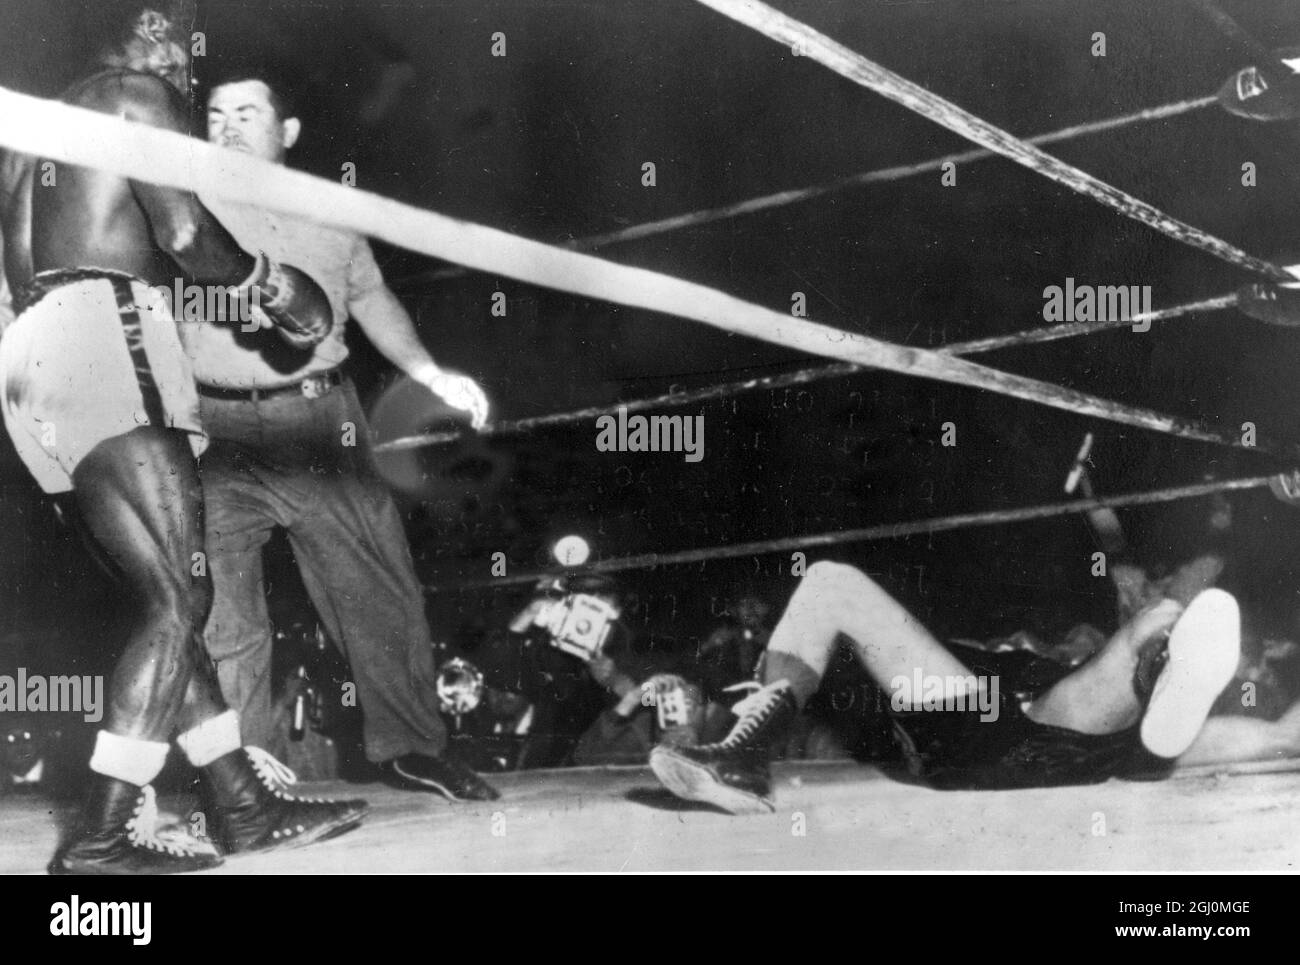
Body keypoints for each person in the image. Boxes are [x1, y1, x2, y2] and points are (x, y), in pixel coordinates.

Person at [0, 1, 369, 873]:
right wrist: (280, 290)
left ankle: (239, 802)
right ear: (159, 36)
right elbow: (187, 232)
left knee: (165, 594)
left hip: (30, 361)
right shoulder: (135, 93)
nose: (192, 83)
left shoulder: (30, 143)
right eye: (187, 60)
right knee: (177, 601)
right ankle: (99, 833)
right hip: (106, 332)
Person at [187, 63, 496, 799]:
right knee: (223, 611)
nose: (227, 126)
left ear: (287, 131)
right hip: (212, 426)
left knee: (379, 590)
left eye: (247, 113)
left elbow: (371, 296)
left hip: (322, 422)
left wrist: (428, 373)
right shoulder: (181, 206)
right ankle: (245, 773)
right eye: (215, 114)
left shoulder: (331, 207)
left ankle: (414, 747)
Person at [650, 559, 1244, 814]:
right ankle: (1166, 675)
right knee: (1166, 618)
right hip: (1037, 736)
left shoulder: (1059, 656)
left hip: (1024, 736)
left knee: (830, 581)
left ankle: (746, 754)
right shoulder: (1008, 659)